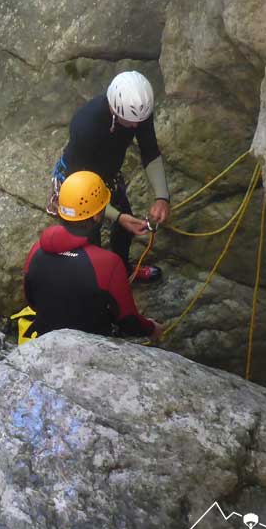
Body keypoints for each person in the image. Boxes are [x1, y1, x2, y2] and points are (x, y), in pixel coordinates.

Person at [47, 71, 170, 282]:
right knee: (89, 239)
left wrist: (162, 197)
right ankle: (100, 284)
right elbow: (79, 178)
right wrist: (117, 217)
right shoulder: (86, 125)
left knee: (126, 230)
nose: (135, 127)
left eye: (139, 121)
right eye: (130, 121)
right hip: (77, 183)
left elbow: (149, 150)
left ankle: (123, 270)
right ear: (114, 109)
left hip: (109, 175)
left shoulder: (138, 112)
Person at [26, 171, 160, 340]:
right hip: (92, 343)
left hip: (46, 338)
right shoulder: (108, 264)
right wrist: (151, 328)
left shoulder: (36, 250)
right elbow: (129, 321)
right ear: (97, 215)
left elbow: (31, 299)